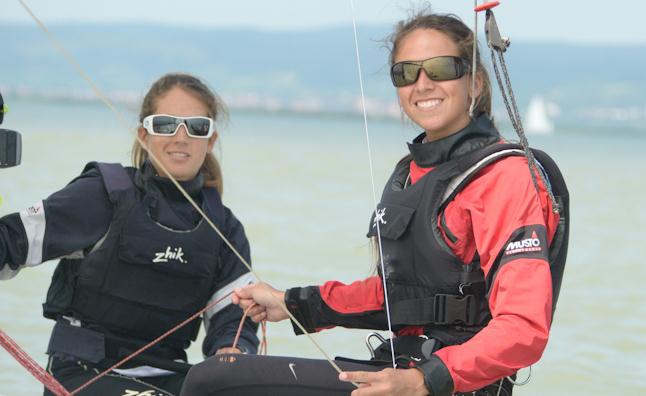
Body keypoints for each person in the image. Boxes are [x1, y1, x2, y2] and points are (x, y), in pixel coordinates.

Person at [180, 10, 568, 396]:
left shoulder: (504, 177)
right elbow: (396, 296)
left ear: (476, 83)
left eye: (440, 68)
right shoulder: (410, 173)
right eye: (406, 73)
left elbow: (524, 327)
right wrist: (291, 303)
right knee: (221, 372)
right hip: (399, 367)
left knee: (213, 382)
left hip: (447, 384)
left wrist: (424, 381)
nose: (422, 84)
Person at [0, 72, 258, 396]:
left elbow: (234, 323)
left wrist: (233, 352)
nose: (181, 137)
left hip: (170, 376)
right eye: (166, 124)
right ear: (145, 134)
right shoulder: (104, 195)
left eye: (197, 127)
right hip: (84, 371)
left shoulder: (225, 230)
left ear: (210, 139)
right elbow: (7, 244)